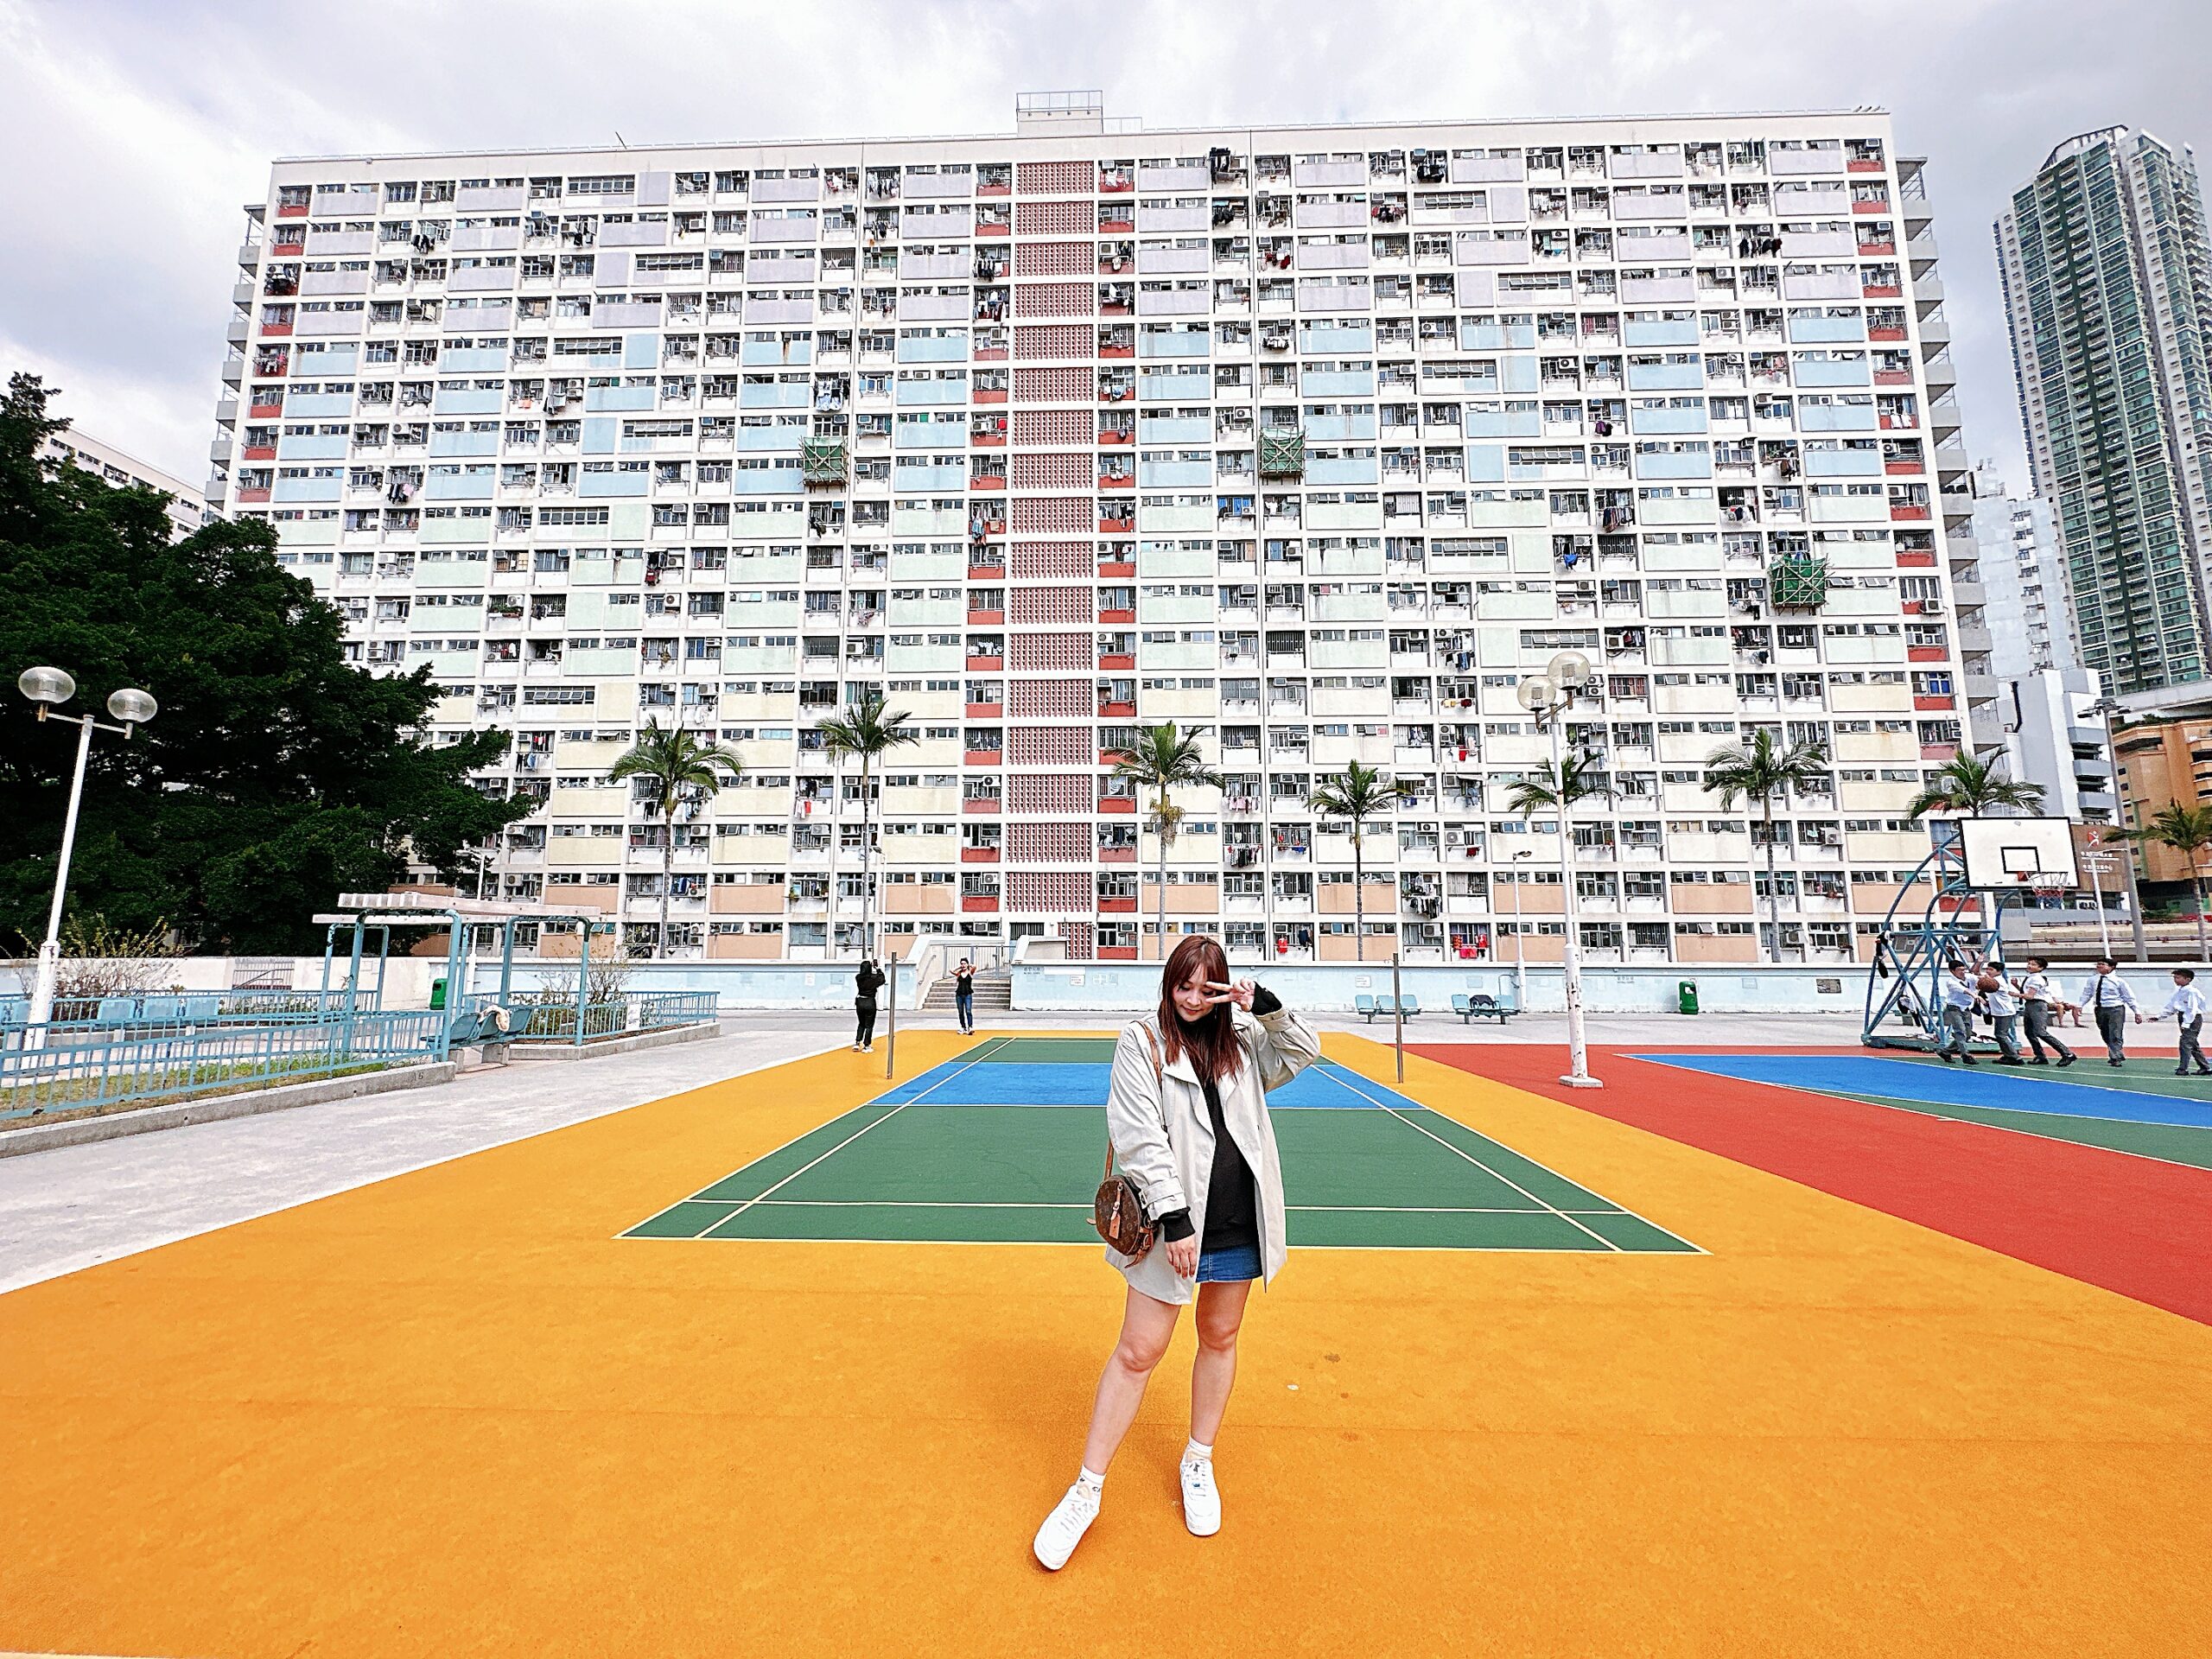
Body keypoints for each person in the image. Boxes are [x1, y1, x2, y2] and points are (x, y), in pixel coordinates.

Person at [1031, 934, 1319, 1572]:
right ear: (1168, 986)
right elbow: (1137, 1138)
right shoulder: (1142, 1042)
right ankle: (1087, 1488)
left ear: (1221, 988)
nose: (1191, 999)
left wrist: (1261, 1004)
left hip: (1241, 1221)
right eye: (1181, 986)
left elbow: (1302, 1051)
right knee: (1139, 1351)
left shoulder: (1241, 1044)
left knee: (1220, 1336)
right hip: (1173, 1227)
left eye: (1204, 987)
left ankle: (1198, 1459)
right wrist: (1178, 1221)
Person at [2078, 957, 2143, 1066]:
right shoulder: (2093, 980)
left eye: (2102, 964)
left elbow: (2128, 997)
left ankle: (2115, 1056)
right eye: (2098, 964)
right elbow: (2087, 993)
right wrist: (2080, 1005)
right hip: (2100, 1008)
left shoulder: (2119, 981)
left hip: (2115, 1008)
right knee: (2105, 1032)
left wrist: (2136, 1011)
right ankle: (2116, 1052)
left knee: (2115, 1033)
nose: (2099, 966)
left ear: (2111, 967)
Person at [2013, 957, 2075, 1067]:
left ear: (2040, 968)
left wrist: (2013, 994)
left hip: (2037, 1005)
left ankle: (2067, 1053)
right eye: (2029, 963)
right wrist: (2017, 986)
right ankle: (2040, 1056)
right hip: (2030, 1005)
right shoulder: (2030, 977)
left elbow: (2030, 996)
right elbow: (2028, 993)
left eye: (2033, 964)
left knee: (2040, 1032)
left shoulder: (2037, 979)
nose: (2029, 966)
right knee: (2029, 1032)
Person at [2163, 968, 2210, 1077]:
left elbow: (2192, 1009)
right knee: (2192, 1043)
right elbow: (2172, 1006)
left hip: (2192, 1018)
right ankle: (2205, 1066)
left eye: (2178, 977)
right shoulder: (2180, 991)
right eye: (2175, 977)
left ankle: (2183, 1068)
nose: (2175, 980)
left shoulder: (2191, 992)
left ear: (2187, 979)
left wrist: (2186, 1023)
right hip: (2183, 1016)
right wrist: (2159, 1017)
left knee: (2185, 1042)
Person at [1977, 964, 2024, 1065]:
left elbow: (1991, 986)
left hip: (2005, 1012)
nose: (1988, 971)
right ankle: (2008, 1055)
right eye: (1987, 969)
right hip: (1999, 1011)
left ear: (1999, 971)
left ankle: (2015, 1057)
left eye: (1991, 969)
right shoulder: (1992, 979)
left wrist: (1981, 982)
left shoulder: (1998, 981)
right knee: (1999, 1034)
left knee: (2001, 1035)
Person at [1934, 961, 1979, 1065]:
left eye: (1963, 970)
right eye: (1959, 970)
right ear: (1952, 971)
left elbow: (1978, 976)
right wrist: (1975, 996)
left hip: (1966, 1008)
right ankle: (1965, 1055)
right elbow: (1964, 990)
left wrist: (1980, 963)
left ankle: (1945, 1052)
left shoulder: (1969, 977)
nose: (1962, 972)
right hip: (1954, 1008)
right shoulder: (1951, 982)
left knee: (1967, 1034)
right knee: (1960, 1031)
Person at [852, 957, 885, 1052]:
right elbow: (882, 979)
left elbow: (864, 975)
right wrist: (877, 968)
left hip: (860, 1001)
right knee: (869, 1025)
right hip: (870, 1002)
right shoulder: (873, 979)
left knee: (861, 1023)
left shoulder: (858, 978)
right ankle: (866, 1045)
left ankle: (857, 1042)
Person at [952, 957, 976, 1036]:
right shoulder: (959, 973)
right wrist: (959, 967)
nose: (963, 965)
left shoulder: (970, 973)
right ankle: (963, 1027)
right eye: (962, 964)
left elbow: (974, 967)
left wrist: (969, 966)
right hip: (959, 994)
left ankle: (970, 1027)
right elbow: (951, 971)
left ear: (967, 964)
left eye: (964, 963)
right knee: (961, 1012)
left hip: (968, 994)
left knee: (968, 1011)